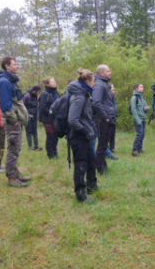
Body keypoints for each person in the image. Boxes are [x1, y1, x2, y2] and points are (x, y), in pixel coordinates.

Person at [0, 56, 29, 187]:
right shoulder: (4, 82)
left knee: (16, 148)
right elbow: (5, 105)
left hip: (15, 120)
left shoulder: (10, 81)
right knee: (13, 148)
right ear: (7, 66)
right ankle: (12, 177)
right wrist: (14, 121)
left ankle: (15, 173)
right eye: (14, 64)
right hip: (11, 122)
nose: (17, 66)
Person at [66, 71, 98, 204]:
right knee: (80, 165)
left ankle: (92, 185)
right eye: (93, 81)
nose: (94, 83)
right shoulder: (79, 97)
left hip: (84, 136)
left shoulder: (84, 94)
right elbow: (72, 120)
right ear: (87, 81)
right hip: (78, 136)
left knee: (91, 161)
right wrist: (86, 131)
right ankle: (80, 195)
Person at [91, 65, 116, 174]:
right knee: (102, 145)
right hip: (103, 119)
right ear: (101, 73)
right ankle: (100, 169)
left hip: (107, 118)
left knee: (104, 144)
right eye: (108, 71)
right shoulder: (99, 85)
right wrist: (105, 117)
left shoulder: (103, 84)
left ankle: (103, 166)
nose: (110, 72)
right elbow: (96, 102)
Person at [37, 77, 60, 159]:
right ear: (47, 84)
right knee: (50, 136)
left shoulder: (57, 93)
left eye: (54, 81)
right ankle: (50, 154)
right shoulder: (44, 94)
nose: (54, 83)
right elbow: (42, 107)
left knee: (56, 136)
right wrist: (51, 113)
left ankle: (55, 153)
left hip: (56, 119)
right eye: (52, 82)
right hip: (47, 119)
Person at [130, 83, 149, 156]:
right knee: (140, 133)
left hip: (143, 118)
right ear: (136, 88)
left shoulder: (142, 97)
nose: (142, 88)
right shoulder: (134, 98)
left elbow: (146, 106)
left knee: (142, 134)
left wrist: (146, 108)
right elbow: (133, 110)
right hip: (138, 119)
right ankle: (134, 150)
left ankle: (139, 148)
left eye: (142, 87)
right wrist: (138, 121)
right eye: (141, 87)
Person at [23, 85, 41, 151]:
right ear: (34, 90)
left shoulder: (36, 96)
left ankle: (36, 145)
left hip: (34, 115)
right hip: (27, 115)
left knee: (34, 130)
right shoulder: (27, 96)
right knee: (29, 131)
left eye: (39, 91)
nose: (38, 93)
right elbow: (22, 106)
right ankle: (30, 146)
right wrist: (26, 115)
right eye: (37, 91)